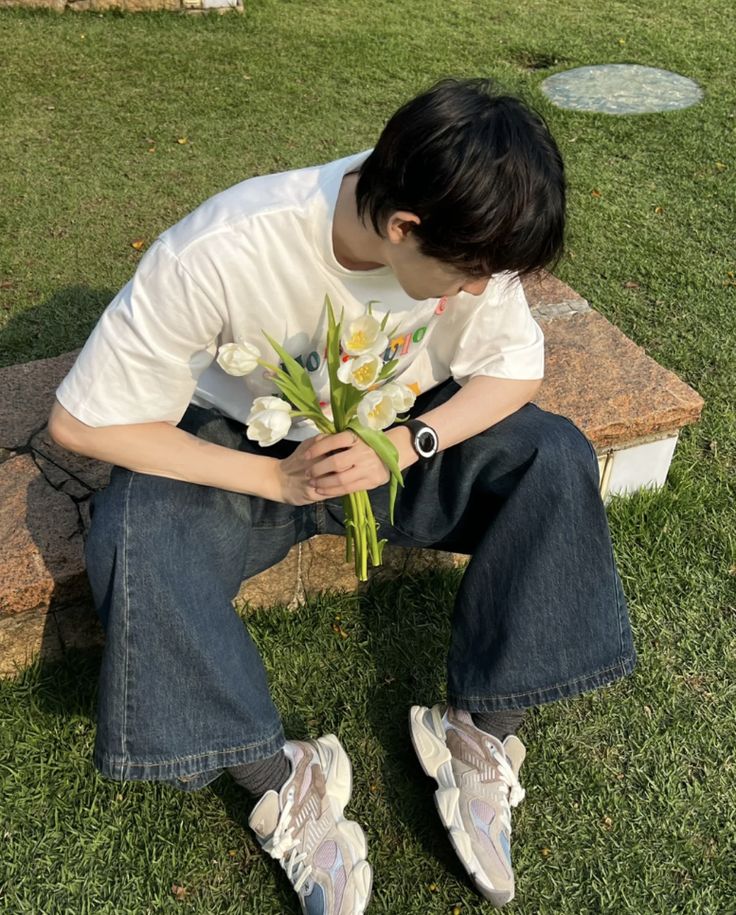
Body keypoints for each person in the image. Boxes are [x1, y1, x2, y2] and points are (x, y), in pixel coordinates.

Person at [48, 77, 636, 913]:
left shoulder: (469, 220)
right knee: (134, 536)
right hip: (247, 443)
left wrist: (409, 441)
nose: (476, 293)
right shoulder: (224, 247)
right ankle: (282, 776)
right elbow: (81, 421)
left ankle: (481, 727)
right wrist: (276, 477)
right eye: (467, 276)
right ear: (403, 227)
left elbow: (517, 366)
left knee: (553, 453)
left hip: (396, 437)